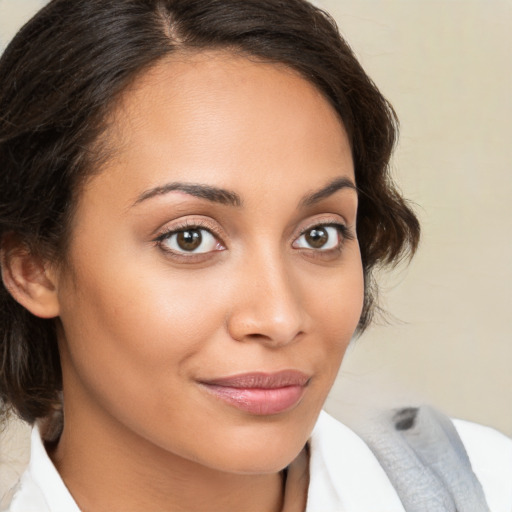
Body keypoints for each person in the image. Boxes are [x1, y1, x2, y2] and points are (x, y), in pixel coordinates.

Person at [0, 1, 510, 511]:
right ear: (33, 268)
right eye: (190, 238)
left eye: (319, 235)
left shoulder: (490, 485)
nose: (280, 318)